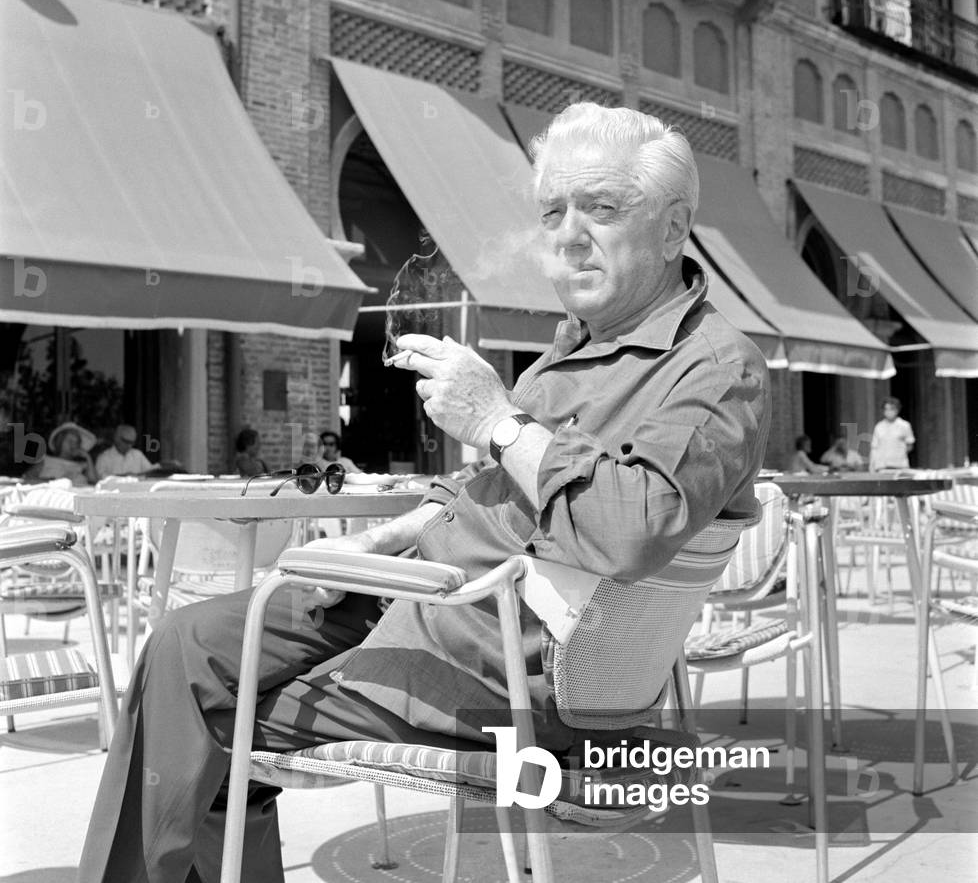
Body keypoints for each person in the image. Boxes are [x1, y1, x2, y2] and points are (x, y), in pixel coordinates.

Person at [78, 103, 772, 882]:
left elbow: (632, 529)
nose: (569, 234)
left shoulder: (714, 368)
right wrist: (391, 534)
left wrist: (500, 420)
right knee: (186, 639)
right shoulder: (572, 352)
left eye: (602, 207)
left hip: (490, 665)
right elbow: (483, 487)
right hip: (420, 600)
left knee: (195, 709)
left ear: (675, 227)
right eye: (553, 211)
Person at [29, 421, 96, 486]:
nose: (73, 445)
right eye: (70, 441)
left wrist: (88, 457)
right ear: (60, 441)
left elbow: (94, 482)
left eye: (76, 442)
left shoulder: (82, 466)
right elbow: (27, 479)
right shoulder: (46, 460)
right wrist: (52, 481)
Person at [94, 424, 159, 480]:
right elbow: (99, 477)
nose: (129, 446)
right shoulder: (104, 457)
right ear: (117, 438)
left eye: (132, 443)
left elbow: (150, 472)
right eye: (126, 442)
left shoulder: (138, 455)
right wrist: (125, 477)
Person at [869, 397, 915, 471]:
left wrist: (897, 453)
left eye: (891, 409)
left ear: (897, 410)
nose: (888, 411)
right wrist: (872, 465)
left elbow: (910, 445)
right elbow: (874, 447)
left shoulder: (904, 425)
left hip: (900, 466)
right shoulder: (879, 426)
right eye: (886, 409)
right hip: (882, 466)